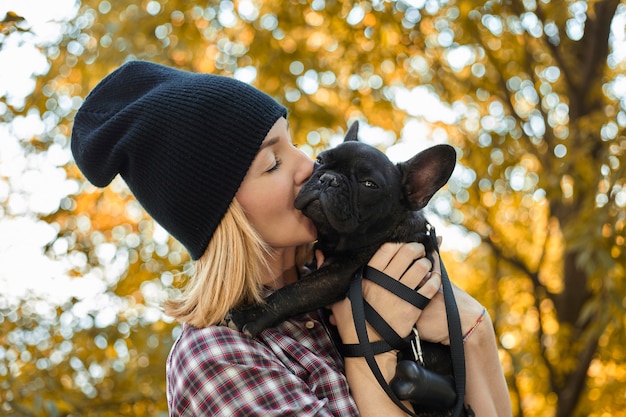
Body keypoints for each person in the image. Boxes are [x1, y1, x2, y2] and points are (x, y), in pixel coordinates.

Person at [71, 60, 512, 416]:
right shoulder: (217, 357)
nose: (307, 167)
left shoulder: (353, 279)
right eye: (272, 163)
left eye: (297, 144)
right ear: (225, 215)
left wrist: (473, 331)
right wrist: (369, 348)